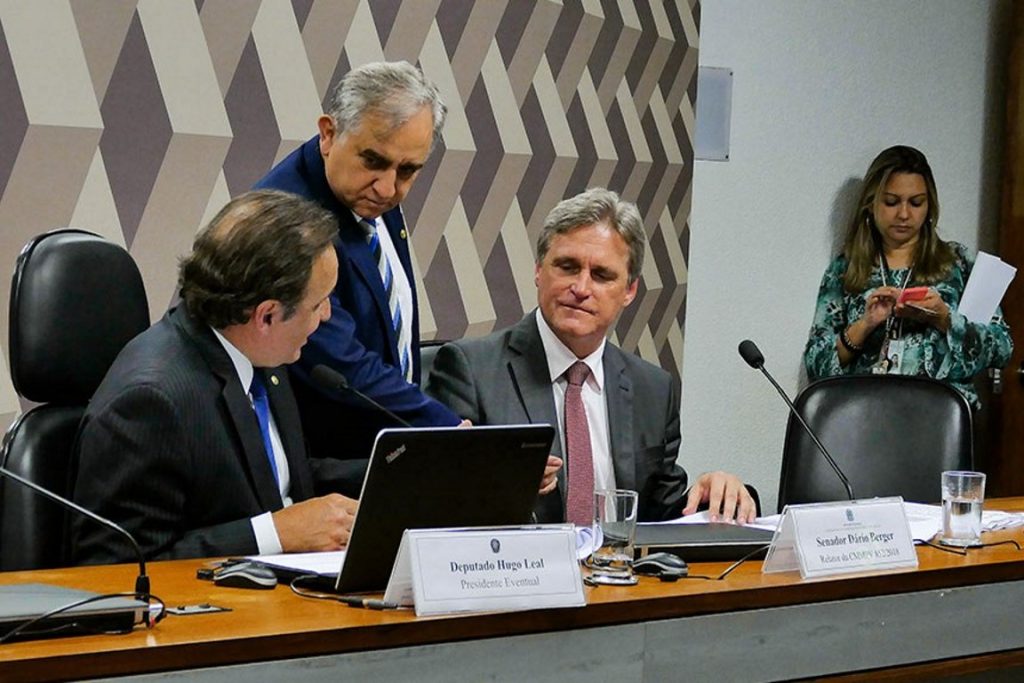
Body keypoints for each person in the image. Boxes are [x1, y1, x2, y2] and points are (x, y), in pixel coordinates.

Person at [426, 188, 757, 524]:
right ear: (539, 270)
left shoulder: (653, 388)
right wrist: (501, 485)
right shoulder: (470, 370)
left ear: (629, 291)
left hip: (619, 559)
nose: (581, 288)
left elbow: (660, 517)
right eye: (567, 267)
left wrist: (713, 495)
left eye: (601, 275)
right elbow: (437, 500)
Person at [71, 191, 358, 564]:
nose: (327, 315)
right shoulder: (150, 401)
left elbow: (281, 477)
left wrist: (395, 473)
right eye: (318, 303)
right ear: (267, 315)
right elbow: (115, 565)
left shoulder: (260, 353)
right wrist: (273, 533)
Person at [254, 61, 461, 491]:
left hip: (383, 457)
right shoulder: (284, 220)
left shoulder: (368, 194)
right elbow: (340, 363)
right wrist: (444, 430)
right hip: (320, 475)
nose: (388, 188)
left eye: (408, 170)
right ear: (329, 133)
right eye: (374, 161)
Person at [804, 145, 1013, 409]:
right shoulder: (846, 269)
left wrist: (944, 319)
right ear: (870, 204)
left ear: (930, 206)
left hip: (940, 417)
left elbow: (1002, 349)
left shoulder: (958, 263)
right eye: (891, 202)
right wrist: (865, 325)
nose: (904, 214)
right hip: (865, 415)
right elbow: (816, 366)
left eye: (916, 203)